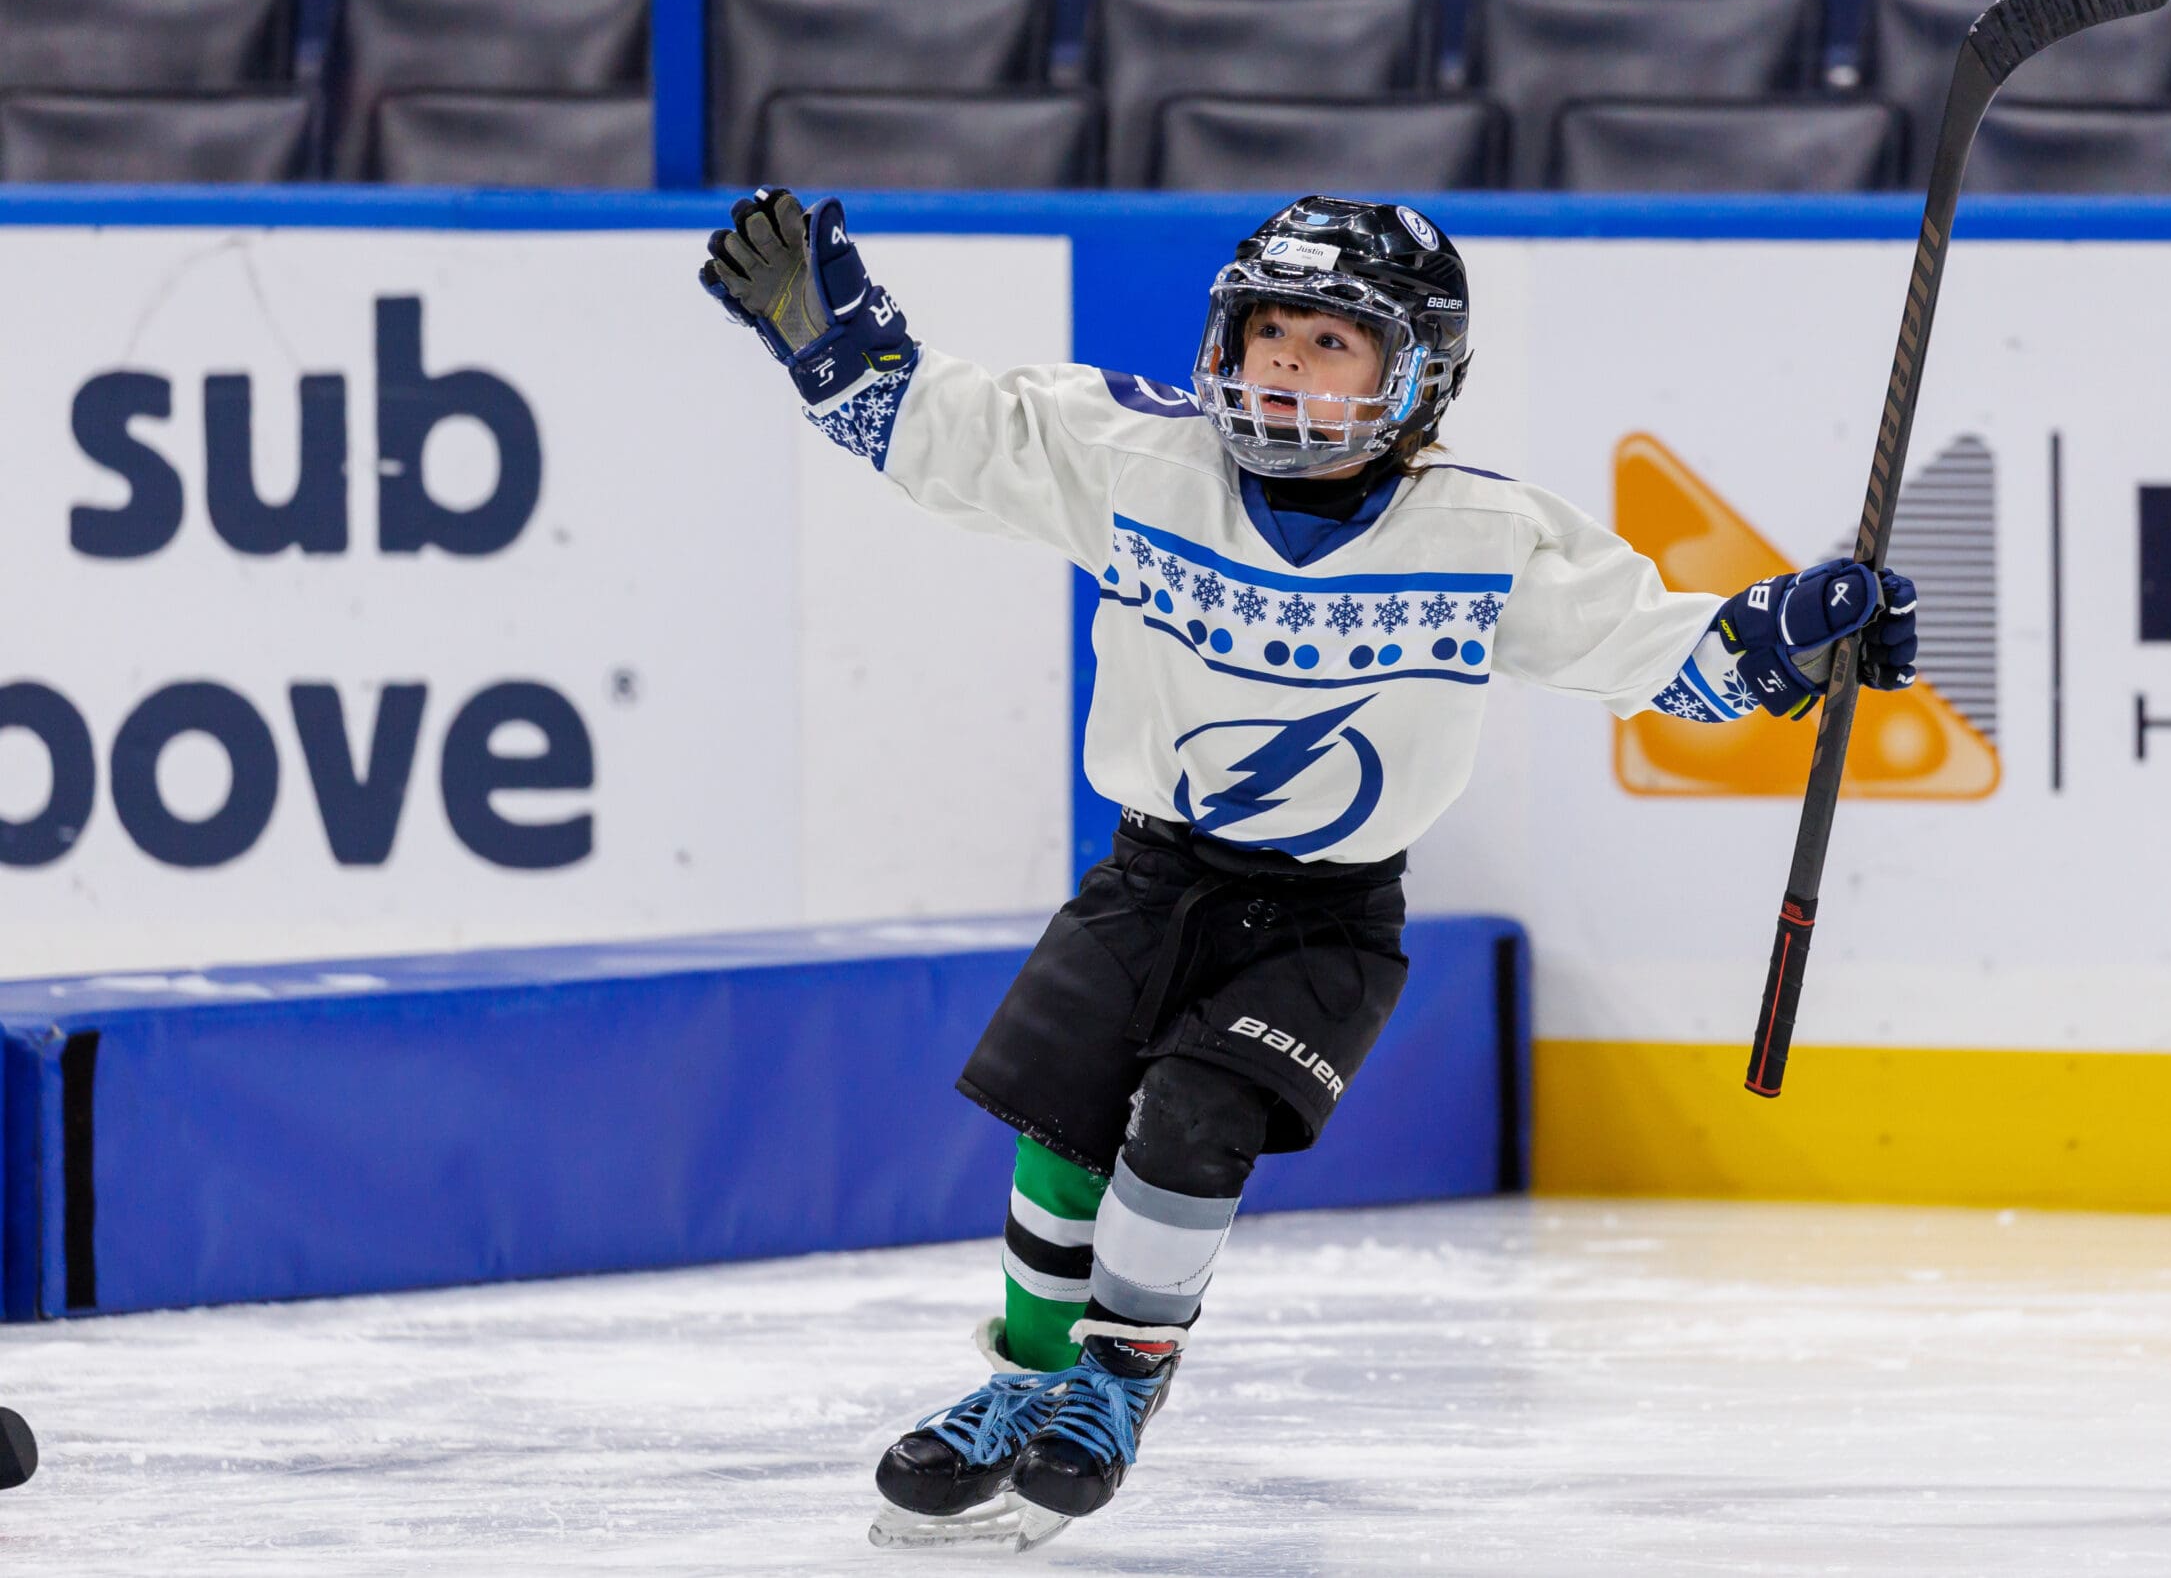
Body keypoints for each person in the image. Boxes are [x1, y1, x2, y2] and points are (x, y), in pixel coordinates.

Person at [700, 191, 1919, 1549]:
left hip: (1328, 922)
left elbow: (1678, 662)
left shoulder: (1485, 535)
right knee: (1065, 1120)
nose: (1285, 362)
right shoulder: (1141, 456)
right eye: (1268, 329)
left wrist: (1802, 627)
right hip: (1150, 878)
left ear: (1422, 378)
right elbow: (937, 434)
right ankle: (1030, 1376)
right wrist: (834, 348)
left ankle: (1120, 1376)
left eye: (1333, 342)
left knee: (1192, 1113)